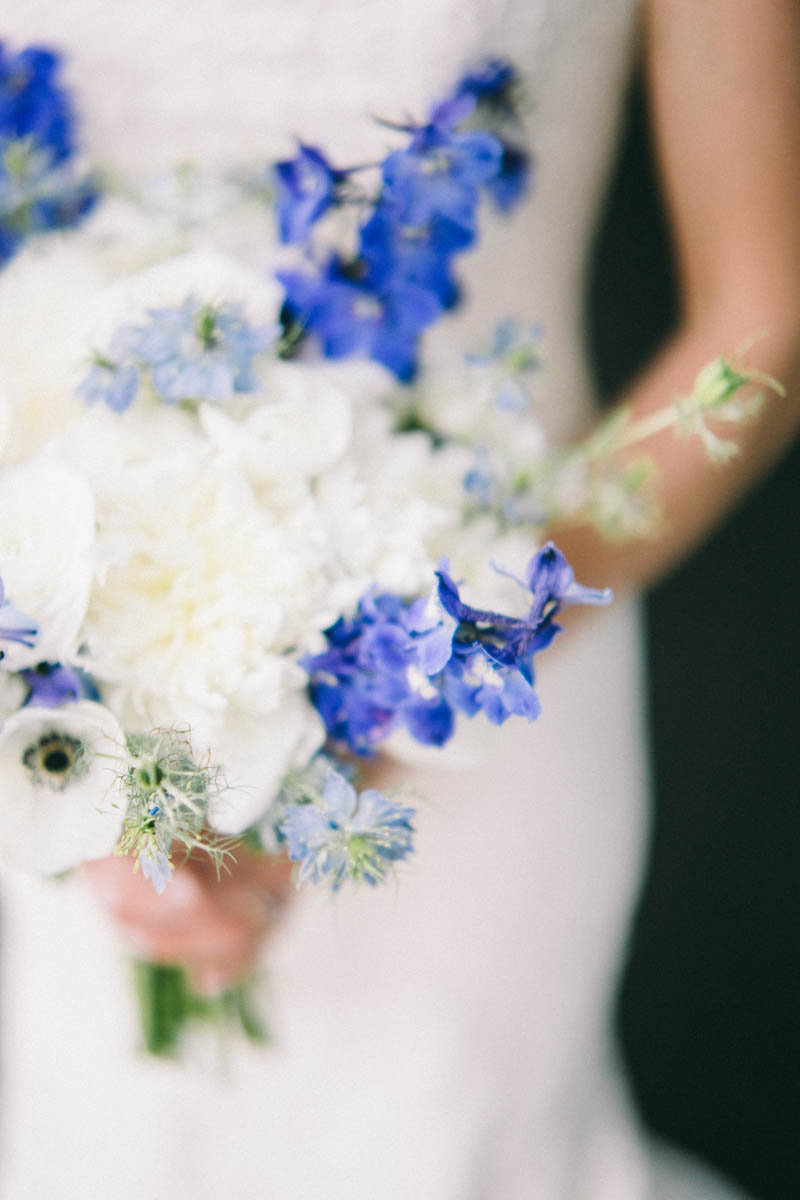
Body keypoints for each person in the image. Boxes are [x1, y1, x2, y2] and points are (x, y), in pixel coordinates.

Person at [1, 1, 799, 1197]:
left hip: (492, 697)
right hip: (52, 702)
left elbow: (761, 312)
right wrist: (86, 719)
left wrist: (421, 658)